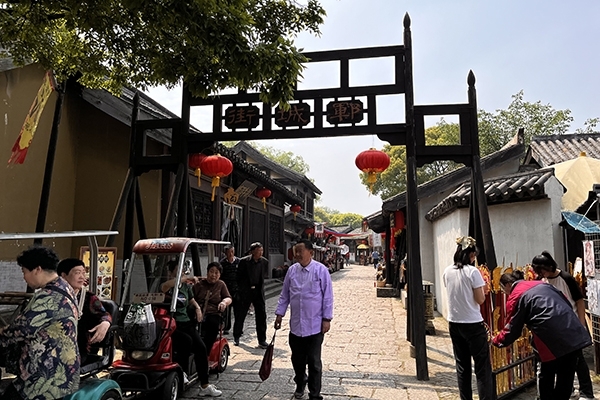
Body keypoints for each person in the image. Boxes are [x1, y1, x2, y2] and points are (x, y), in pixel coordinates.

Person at [492, 270, 592, 400]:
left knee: (547, 374)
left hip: (548, 336)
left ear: (507, 285)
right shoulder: (543, 284)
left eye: (503, 289)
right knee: (566, 376)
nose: (505, 293)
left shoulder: (516, 295)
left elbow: (512, 327)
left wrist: (496, 340)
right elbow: (565, 301)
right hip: (571, 329)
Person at [0, 246, 80, 400]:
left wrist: (2, 331)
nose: (24, 277)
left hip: (45, 373)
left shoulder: (48, 297)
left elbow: (22, 329)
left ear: (37, 269)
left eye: (24, 271)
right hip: (64, 370)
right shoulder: (65, 286)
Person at [274, 239, 334, 400]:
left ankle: (315, 394)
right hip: (296, 326)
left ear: (311, 252)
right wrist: (279, 314)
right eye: (296, 251)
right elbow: (285, 295)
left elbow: (328, 297)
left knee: (314, 362)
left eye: (300, 251)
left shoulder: (321, 270)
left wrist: (327, 319)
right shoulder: (292, 271)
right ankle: (300, 383)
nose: (297, 254)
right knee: (297, 360)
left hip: (315, 326)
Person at [532, 251, 595, 400]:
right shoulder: (541, 281)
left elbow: (579, 301)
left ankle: (587, 392)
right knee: (562, 363)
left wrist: (581, 324)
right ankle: (570, 390)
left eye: (542, 271)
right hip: (552, 329)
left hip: (570, 326)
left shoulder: (566, 278)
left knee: (578, 360)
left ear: (549, 267)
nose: (542, 274)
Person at [442, 236, 493, 400]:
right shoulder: (472, 272)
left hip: (454, 322)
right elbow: (480, 299)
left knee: (462, 366)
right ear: (471, 255)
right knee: (482, 367)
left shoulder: (448, 271)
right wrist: (484, 291)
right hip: (472, 323)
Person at [161, 260, 221, 397]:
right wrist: (185, 278)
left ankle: (204, 385)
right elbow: (165, 286)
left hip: (186, 322)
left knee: (201, 347)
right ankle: (182, 372)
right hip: (170, 324)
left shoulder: (186, 287)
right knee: (186, 341)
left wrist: (198, 308)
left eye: (182, 270)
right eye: (178, 270)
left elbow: (191, 300)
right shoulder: (167, 286)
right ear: (171, 272)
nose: (181, 273)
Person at [57, 258, 112, 365]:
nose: (82, 277)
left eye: (83, 273)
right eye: (77, 273)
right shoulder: (53, 296)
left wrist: (105, 323)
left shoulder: (88, 298)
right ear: (63, 276)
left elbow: (105, 315)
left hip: (77, 350)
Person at [233, 242, 269, 348]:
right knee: (241, 314)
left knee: (261, 315)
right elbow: (238, 277)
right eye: (258, 251)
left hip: (258, 291)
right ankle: (236, 336)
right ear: (252, 251)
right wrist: (239, 290)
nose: (260, 253)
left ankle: (262, 340)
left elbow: (263, 277)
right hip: (246, 291)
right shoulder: (244, 262)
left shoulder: (264, 262)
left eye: (261, 250)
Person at [192, 262, 232, 354]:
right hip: (198, 311)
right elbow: (191, 298)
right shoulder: (199, 284)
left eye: (216, 273)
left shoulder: (221, 284)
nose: (213, 275)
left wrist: (224, 302)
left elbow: (228, 298)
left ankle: (206, 352)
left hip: (213, 313)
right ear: (207, 272)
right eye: (211, 271)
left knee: (212, 325)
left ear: (220, 275)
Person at [219, 245, 239, 335]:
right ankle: (226, 327)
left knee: (238, 311)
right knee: (226, 311)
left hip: (237, 289)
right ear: (225, 253)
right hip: (226, 289)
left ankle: (238, 328)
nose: (230, 254)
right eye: (228, 252)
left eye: (232, 252)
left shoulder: (239, 262)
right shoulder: (222, 263)